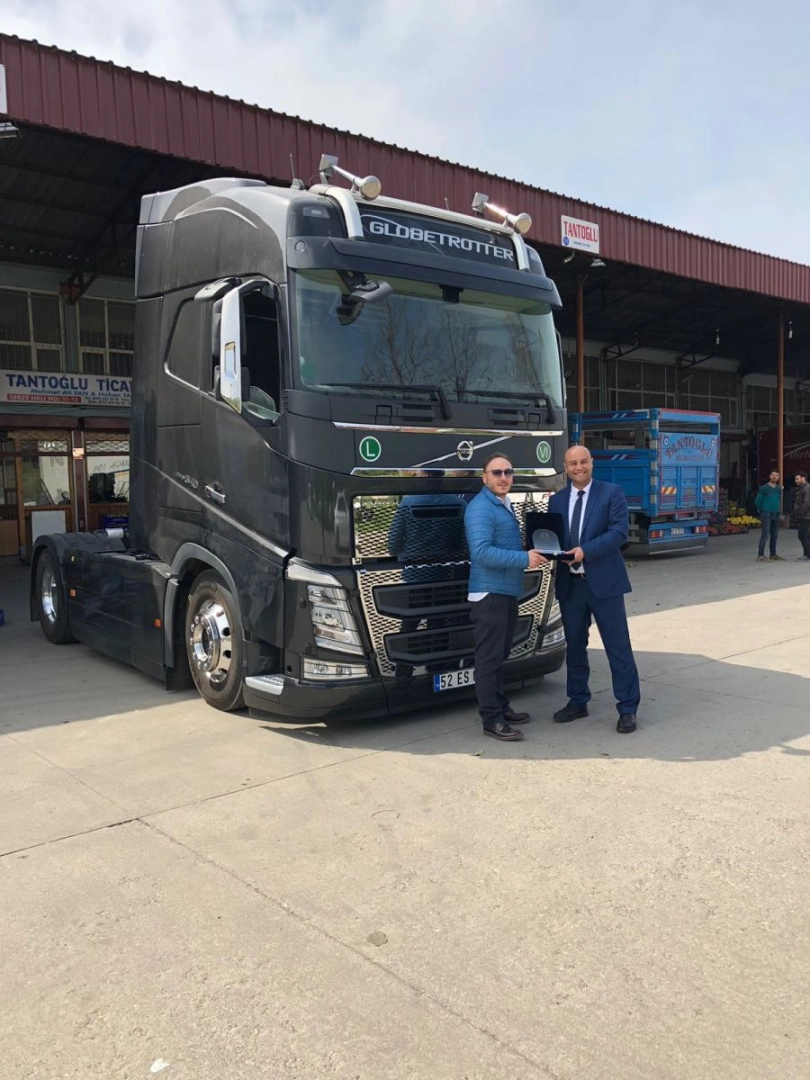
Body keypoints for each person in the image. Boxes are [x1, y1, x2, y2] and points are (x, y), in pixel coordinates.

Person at [545, 445, 640, 734]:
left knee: (618, 647)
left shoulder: (611, 493)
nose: (578, 467)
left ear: (592, 462)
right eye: (572, 463)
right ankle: (577, 701)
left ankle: (627, 707)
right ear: (566, 467)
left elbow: (618, 533)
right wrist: (546, 549)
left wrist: (584, 551)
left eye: (583, 461)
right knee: (575, 646)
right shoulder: (557, 500)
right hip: (571, 585)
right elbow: (553, 537)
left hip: (605, 583)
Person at [464, 453, 545, 741]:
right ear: (484, 477)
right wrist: (524, 558)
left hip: (505, 591)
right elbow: (481, 552)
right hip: (490, 594)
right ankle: (491, 720)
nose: (503, 477)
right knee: (488, 660)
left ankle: (500, 706)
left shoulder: (502, 504)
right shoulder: (480, 508)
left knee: (500, 655)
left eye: (508, 472)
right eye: (496, 472)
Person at [755, 471, 784, 562]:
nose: (774, 477)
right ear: (769, 476)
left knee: (774, 535)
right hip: (766, 513)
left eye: (776, 475)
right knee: (765, 534)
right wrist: (761, 510)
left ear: (778, 477)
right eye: (773, 475)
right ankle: (760, 555)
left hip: (776, 512)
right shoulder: (764, 488)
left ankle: (773, 554)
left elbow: (778, 499)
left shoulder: (779, 489)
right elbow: (757, 501)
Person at [793, 472, 810, 560]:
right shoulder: (802, 488)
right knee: (806, 535)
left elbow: (806, 503)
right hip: (805, 515)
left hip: (806, 516)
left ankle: (808, 555)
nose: (796, 481)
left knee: (802, 535)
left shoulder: (807, 488)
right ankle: (806, 554)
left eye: (797, 479)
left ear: (803, 478)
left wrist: (800, 514)